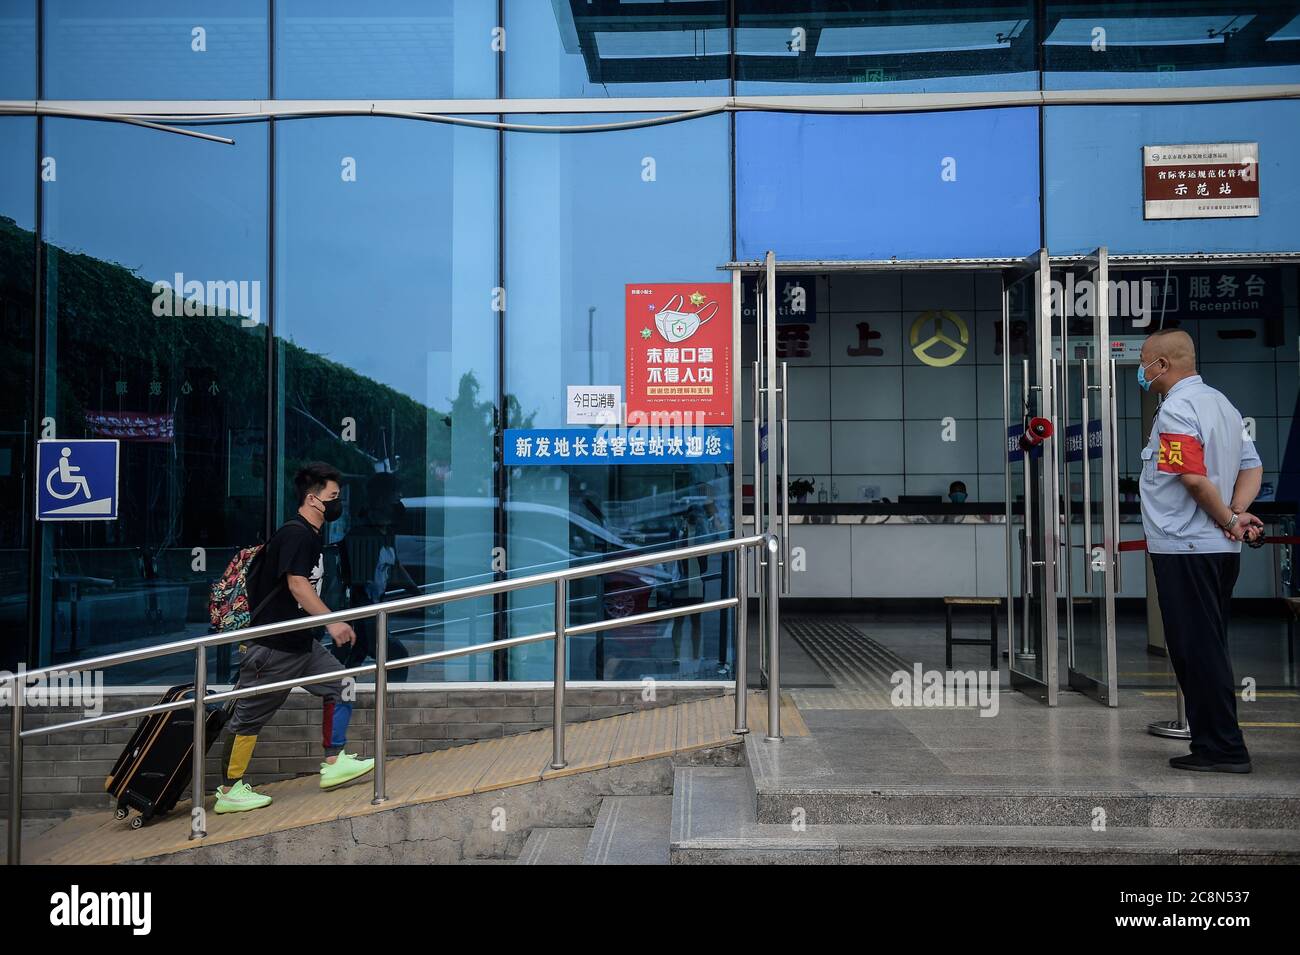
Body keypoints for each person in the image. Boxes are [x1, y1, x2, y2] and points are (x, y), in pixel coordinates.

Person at [214, 462, 375, 814]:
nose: (337, 504)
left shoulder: (312, 536)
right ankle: (229, 789)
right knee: (247, 720)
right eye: (333, 497)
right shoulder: (297, 534)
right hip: (272, 651)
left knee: (342, 684)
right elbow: (297, 584)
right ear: (312, 499)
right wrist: (333, 623)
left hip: (301, 645)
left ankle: (334, 762)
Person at [1137, 329, 1264, 774]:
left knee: (1197, 650)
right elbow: (1252, 466)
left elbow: (1191, 478)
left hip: (1187, 550)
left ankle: (1222, 748)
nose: (1143, 371)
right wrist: (1237, 513)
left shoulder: (1177, 409)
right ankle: (1216, 743)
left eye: (1145, 362)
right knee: (1206, 645)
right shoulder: (1222, 404)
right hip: (1217, 549)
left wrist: (1229, 519)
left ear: (1163, 366)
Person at [337, 472, 414, 681]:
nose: (399, 503)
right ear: (381, 499)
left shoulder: (386, 533)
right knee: (396, 656)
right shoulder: (362, 535)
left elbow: (395, 566)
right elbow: (359, 584)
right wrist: (367, 621)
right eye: (395, 497)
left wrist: (416, 591)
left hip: (373, 612)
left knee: (352, 659)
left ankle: (340, 697)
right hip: (363, 614)